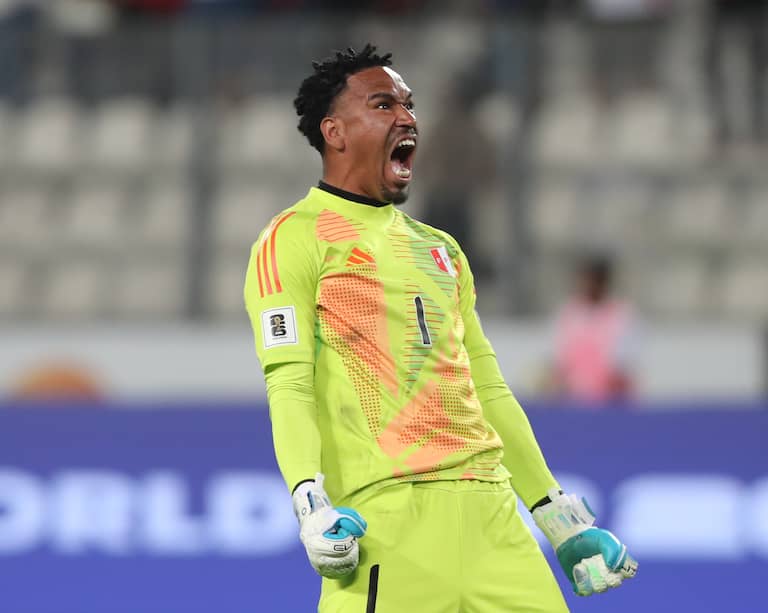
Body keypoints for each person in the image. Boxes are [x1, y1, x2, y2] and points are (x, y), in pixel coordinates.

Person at [242, 45, 637, 612]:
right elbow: (289, 383)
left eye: (408, 105)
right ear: (335, 131)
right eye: (383, 105)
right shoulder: (293, 240)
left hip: (496, 523)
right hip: (388, 527)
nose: (406, 118)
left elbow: (488, 388)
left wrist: (556, 515)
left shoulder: (441, 250)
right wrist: (311, 504)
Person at [550, 257, 637, 403]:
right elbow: (560, 363)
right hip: (573, 402)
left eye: (594, 280)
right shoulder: (570, 313)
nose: (588, 285)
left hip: (609, 403)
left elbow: (624, 369)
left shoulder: (621, 315)